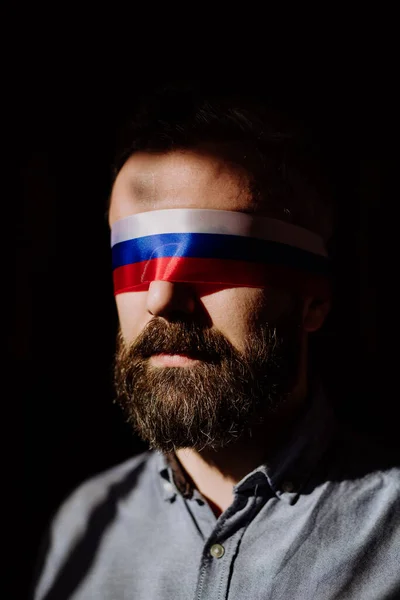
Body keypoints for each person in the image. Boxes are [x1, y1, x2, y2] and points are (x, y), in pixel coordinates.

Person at [32, 83, 399, 600]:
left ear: (313, 299)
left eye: (214, 257)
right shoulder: (83, 529)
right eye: (133, 262)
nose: (161, 298)